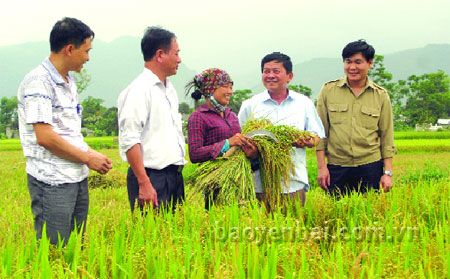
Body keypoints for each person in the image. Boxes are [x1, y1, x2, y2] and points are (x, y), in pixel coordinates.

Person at [17, 17, 113, 246]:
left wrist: (90, 153)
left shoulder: (68, 82)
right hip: (52, 181)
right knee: (54, 248)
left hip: (76, 176)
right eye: (86, 51)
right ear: (70, 49)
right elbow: (45, 137)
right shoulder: (38, 82)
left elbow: (69, 132)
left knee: (74, 246)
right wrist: (88, 157)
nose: (88, 58)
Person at [238, 52, 325, 208]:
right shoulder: (250, 105)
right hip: (258, 184)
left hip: (292, 183)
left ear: (289, 76)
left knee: (292, 229)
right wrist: (251, 151)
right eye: (266, 71)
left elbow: (316, 136)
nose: (270, 75)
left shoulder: (303, 103)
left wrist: (307, 141)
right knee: (257, 229)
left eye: (276, 71)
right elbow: (239, 139)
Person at [117, 27, 186, 213]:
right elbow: (130, 139)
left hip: (174, 176)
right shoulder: (138, 90)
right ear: (160, 55)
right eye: (176, 53)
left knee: (175, 235)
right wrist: (144, 183)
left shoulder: (169, 90)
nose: (179, 59)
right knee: (152, 237)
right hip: (151, 177)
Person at [315, 40, 396, 197]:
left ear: (370, 63)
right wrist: (321, 167)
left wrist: (388, 173)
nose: (352, 67)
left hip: (370, 166)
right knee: (336, 215)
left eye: (358, 62)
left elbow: (387, 137)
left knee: (369, 215)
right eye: (348, 61)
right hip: (337, 167)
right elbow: (320, 132)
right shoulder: (328, 91)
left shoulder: (380, 95)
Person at [186, 68, 258, 209]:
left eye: (231, 87)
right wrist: (227, 143)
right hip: (216, 185)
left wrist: (251, 152)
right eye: (225, 87)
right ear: (210, 90)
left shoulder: (232, 115)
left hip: (240, 182)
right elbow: (194, 154)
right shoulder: (198, 117)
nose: (230, 91)